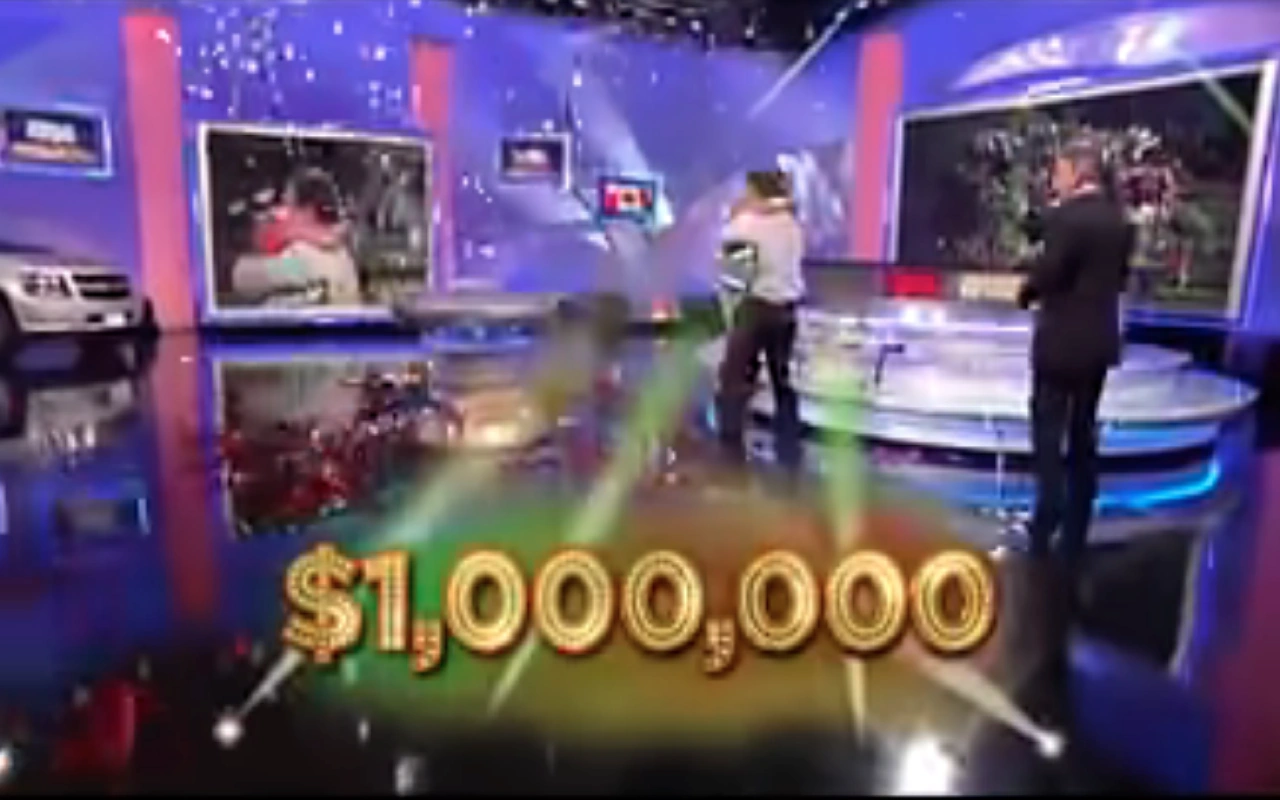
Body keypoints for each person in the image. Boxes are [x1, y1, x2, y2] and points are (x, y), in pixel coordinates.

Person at [1017, 138, 1134, 560]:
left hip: (1061, 343)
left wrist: (1026, 292)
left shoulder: (1067, 218)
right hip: (1097, 343)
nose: (1055, 179)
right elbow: (1118, 278)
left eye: (1059, 171)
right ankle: (1080, 512)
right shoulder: (1120, 222)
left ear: (1078, 172)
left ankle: (1048, 510)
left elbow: (1051, 272)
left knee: (1048, 428)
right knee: (1083, 428)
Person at [715, 169, 806, 472]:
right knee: (782, 379)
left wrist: (730, 315)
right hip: (786, 311)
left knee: (733, 378)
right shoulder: (792, 225)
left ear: (754, 191)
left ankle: (729, 453)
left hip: (754, 309)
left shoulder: (743, 226)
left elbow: (734, 279)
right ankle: (790, 443)